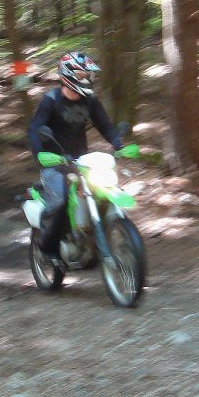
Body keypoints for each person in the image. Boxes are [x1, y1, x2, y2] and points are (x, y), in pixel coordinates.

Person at [27, 51, 123, 262]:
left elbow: (104, 124)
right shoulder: (51, 101)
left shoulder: (90, 100)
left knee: (104, 192)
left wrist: (118, 144)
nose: (86, 79)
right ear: (67, 76)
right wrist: (41, 155)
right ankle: (47, 248)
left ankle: (99, 241)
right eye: (81, 75)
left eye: (88, 75)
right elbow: (35, 129)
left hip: (81, 160)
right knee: (60, 201)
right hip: (54, 161)